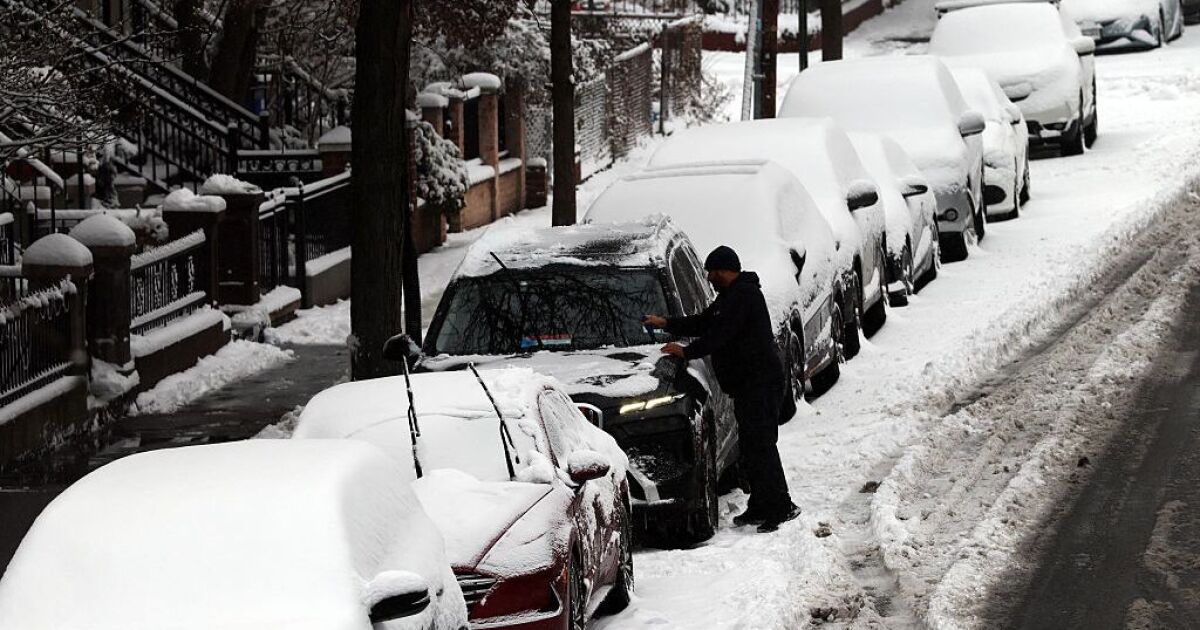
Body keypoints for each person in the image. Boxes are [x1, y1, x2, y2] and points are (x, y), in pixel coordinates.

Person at [642, 245, 800, 533]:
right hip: (747, 385)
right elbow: (704, 322)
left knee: (762, 446)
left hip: (760, 384)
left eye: (712, 273)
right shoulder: (730, 297)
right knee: (751, 448)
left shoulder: (744, 297)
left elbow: (719, 335)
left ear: (723, 270)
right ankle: (761, 504)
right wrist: (665, 323)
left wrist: (686, 352)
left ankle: (781, 506)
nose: (709, 278)